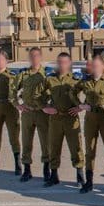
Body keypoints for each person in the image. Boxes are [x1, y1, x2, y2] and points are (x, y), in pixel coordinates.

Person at [42, 52, 85, 187]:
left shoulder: (76, 79)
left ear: (70, 63)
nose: (62, 65)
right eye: (60, 62)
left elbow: (89, 92)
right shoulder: (50, 79)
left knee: (76, 147)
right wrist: (44, 107)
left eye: (65, 62)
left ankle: (80, 175)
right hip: (55, 119)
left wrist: (81, 107)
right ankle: (54, 175)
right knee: (53, 147)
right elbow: (38, 95)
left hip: (71, 118)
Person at [77, 54, 104, 193]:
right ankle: (89, 182)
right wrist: (81, 105)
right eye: (92, 65)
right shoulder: (85, 81)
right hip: (91, 118)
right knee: (90, 150)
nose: (94, 67)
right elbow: (72, 93)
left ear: (102, 66)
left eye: (96, 65)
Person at [14, 48, 51, 182]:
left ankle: (46, 169)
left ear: (40, 57)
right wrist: (18, 104)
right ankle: (27, 169)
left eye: (36, 56)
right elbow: (13, 91)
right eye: (32, 56)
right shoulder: (23, 75)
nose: (34, 58)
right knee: (26, 141)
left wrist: (49, 107)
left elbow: (53, 91)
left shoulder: (47, 74)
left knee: (45, 142)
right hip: (28, 112)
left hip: (42, 113)